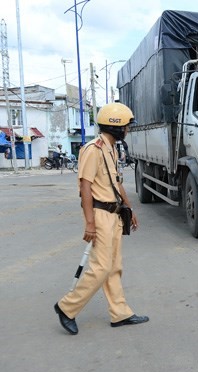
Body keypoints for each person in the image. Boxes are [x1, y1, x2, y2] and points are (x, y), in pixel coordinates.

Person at [54, 103, 148, 335]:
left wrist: (129, 207)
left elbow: (116, 183)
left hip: (115, 214)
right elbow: (85, 187)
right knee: (101, 267)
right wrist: (90, 223)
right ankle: (67, 307)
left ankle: (120, 313)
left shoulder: (112, 148)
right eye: (126, 126)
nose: (128, 130)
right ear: (116, 127)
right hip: (100, 214)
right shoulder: (92, 149)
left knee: (114, 266)